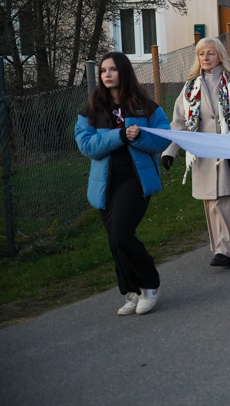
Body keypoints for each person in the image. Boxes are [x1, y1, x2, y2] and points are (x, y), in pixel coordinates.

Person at [75, 52, 171, 315]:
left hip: (135, 180)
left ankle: (150, 284)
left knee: (121, 234)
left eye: (113, 69)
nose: (107, 74)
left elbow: (163, 139)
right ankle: (131, 291)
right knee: (114, 240)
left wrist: (139, 137)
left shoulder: (146, 106)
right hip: (104, 184)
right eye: (103, 70)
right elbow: (86, 146)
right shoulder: (93, 109)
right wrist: (120, 136)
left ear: (124, 72)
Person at [162, 38, 230, 269]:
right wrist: (170, 151)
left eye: (211, 53)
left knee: (224, 202)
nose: (206, 58)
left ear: (220, 56)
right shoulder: (190, 87)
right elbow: (179, 121)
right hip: (201, 153)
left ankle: (226, 251)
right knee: (210, 203)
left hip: (225, 150)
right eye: (201, 54)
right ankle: (221, 248)